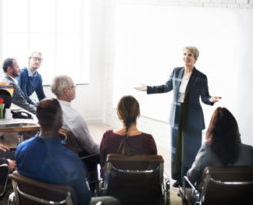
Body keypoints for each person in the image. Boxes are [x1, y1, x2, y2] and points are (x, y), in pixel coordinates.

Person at [135, 46, 221, 187]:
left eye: (190, 55)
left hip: (192, 118)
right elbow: (167, 86)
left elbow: (205, 97)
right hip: (176, 116)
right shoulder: (176, 71)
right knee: (177, 149)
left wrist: (211, 99)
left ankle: (190, 179)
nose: (186, 57)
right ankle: (180, 178)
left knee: (190, 150)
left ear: (195, 59)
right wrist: (149, 88)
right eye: (185, 54)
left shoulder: (201, 77)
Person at [15, 98, 92, 205]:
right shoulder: (71, 159)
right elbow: (84, 200)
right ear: (60, 120)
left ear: (37, 118)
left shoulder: (21, 149)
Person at [187, 107, 253, 185]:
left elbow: (191, 177)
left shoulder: (208, 148)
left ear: (213, 129)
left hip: (212, 196)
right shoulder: (249, 151)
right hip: (241, 196)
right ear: (235, 128)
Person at [100, 95, 157, 167]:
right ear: (138, 113)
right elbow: (154, 167)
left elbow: (102, 164)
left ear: (119, 114)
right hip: (141, 178)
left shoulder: (107, 136)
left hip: (114, 178)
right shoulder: (148, 140)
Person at [51, 75, 99, 155]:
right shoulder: (74, 117)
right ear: (66, 91)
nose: (75, 89)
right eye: (73, 86)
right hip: (80, 158)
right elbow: (91, 148)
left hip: (56, 153)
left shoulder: (49, 108)